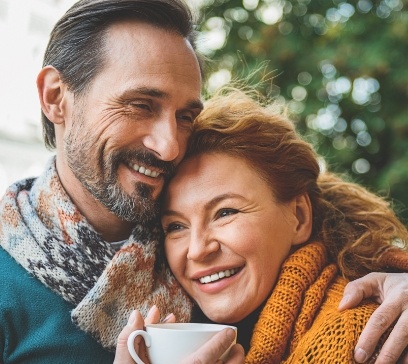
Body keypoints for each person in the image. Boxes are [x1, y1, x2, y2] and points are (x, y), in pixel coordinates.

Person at [0, 0, 406, 362]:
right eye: (141, 104)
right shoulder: (9, 287)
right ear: (55, 97)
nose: (170, 147)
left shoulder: (244, 286)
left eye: (185, 117)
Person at [153, 88, 408, 363]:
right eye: (176, 227)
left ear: (298, 216)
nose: (197, 251)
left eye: (225, 212)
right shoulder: (164, 327)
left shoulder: (364, 336)